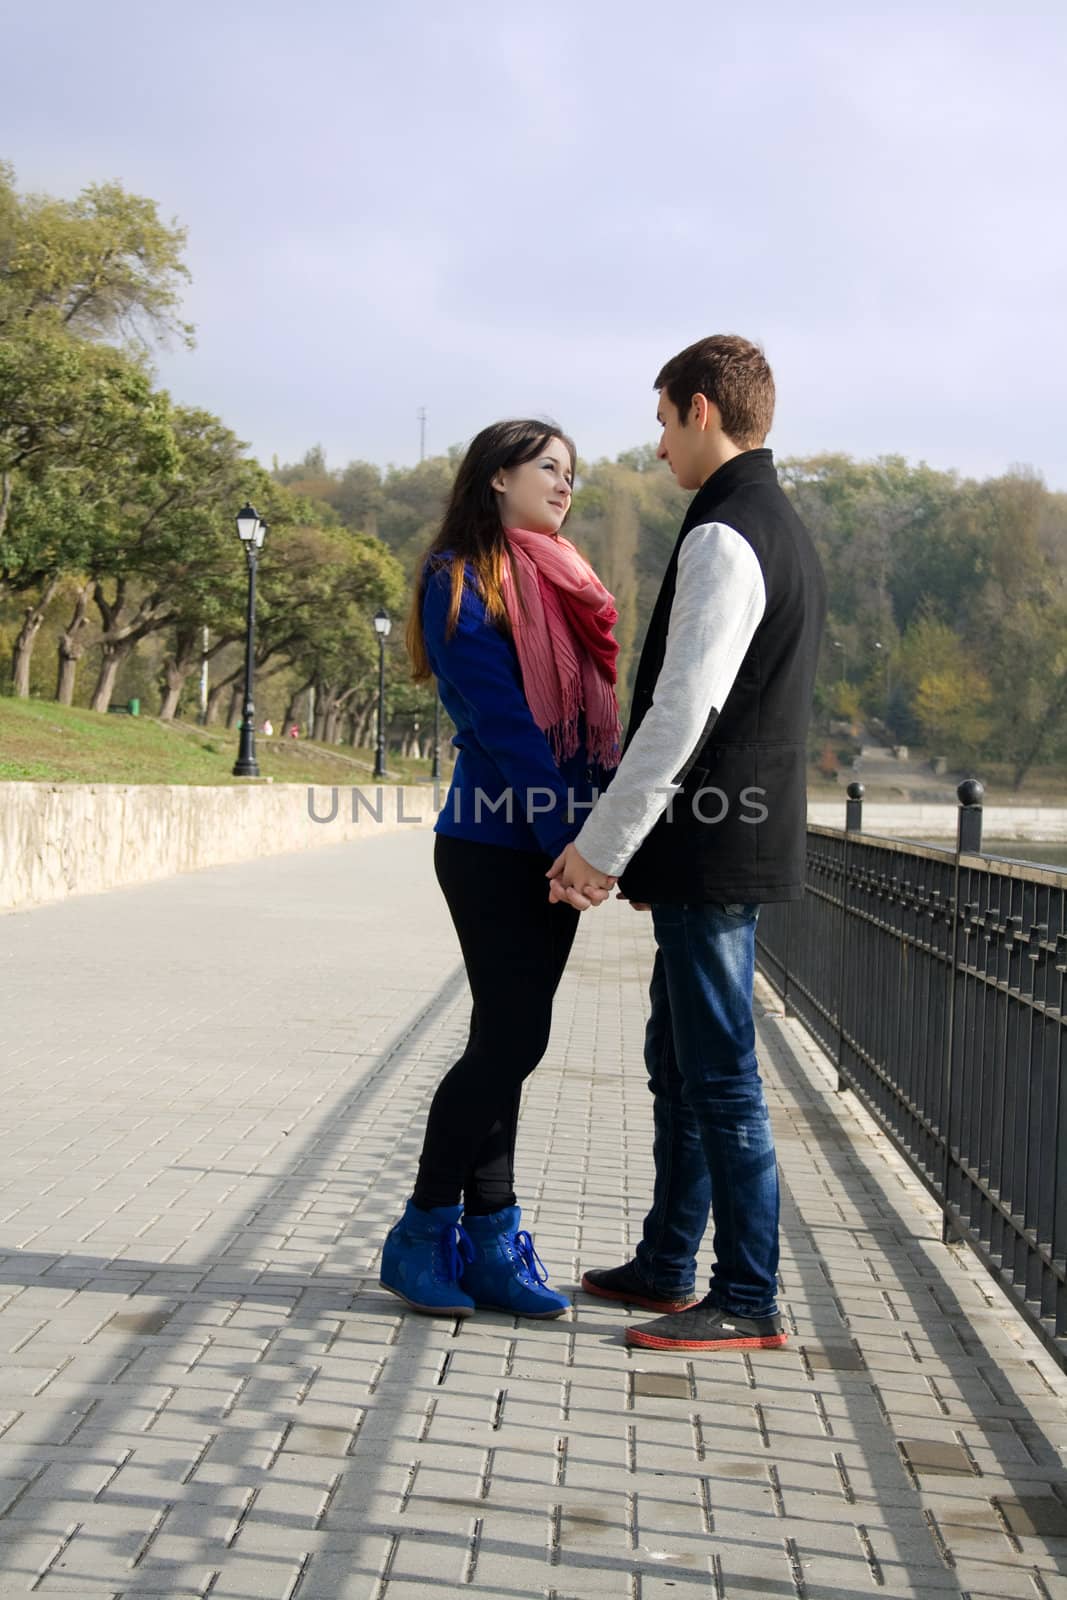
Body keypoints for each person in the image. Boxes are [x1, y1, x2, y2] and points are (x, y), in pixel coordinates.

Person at [548, 336, 827, 1353]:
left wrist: (599, 846)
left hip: (713, 849)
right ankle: (667, 1262)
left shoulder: (726, 533)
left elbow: (680, 711)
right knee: (676, 1057)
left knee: (717, 1077)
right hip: (727, 844)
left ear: (702, 410)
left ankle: (745, 1295)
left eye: (663, 419)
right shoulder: (773, 522)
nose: (657, 443)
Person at [379, 419, 621, 1319]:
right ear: (496, 478)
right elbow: (506, 727)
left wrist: (598, 840)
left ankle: (489, 1239)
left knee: (505, 1045)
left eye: (572, 474)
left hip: (555, 844)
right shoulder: (458, 577)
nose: (565, 486)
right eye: (547, 468)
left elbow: (592, 723)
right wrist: (573, 840)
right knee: (512, 1042)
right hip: (491, 843)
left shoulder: (562, 579)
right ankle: (419, 1233)